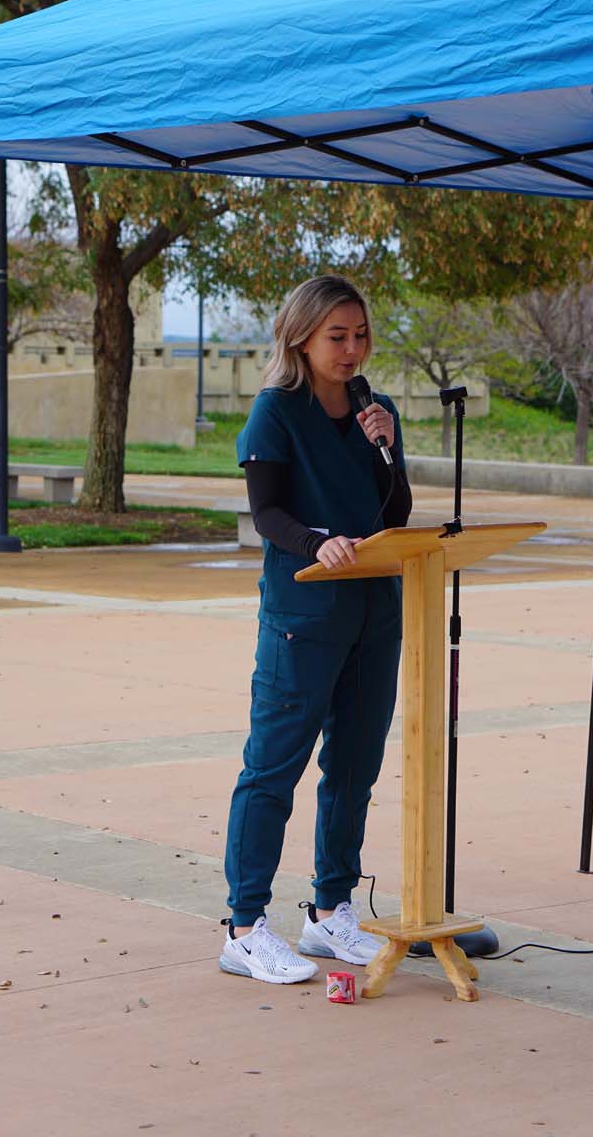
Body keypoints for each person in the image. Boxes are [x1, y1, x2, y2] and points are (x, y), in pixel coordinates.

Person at [221, 275, 412, 984]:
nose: (353, 349)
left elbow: (395, 512)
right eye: (338, 336)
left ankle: (331, 912)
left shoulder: (376, 409)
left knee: (354, 769)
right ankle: (244, 926)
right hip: (304, 615)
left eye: (361, 334)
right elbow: (267, 511)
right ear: (299, 335)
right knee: (273, 768)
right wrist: (315, 542)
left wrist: (386, 449)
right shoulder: (276, 412)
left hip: (376, 613)